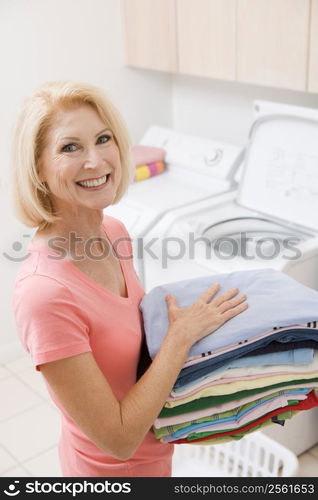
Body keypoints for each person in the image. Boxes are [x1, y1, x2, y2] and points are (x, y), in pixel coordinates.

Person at [11, 81, 248, 477]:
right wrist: (179, 338)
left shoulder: (114, 232)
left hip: (156, 457)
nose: (96, 160)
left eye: (104, 139)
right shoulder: (43, 294)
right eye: (70, 147)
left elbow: (124, 347)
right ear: (36, 167)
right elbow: (119, 441)